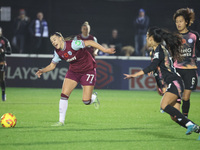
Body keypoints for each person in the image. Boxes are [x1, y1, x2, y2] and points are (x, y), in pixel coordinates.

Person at [124, 27, 200, 140]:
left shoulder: (159, 50)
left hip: (174, 82)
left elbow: (153, 66)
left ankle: (191, 125)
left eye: (146, 37)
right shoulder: (156, 50)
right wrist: (159, 84)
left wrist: (134, 75)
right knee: (175, 117)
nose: (146, 40)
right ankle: (197, 129)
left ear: (151, 38)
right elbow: (157, 69)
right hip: (175, 82)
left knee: (164, 106)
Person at [35, 32, 115, 126]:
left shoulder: (73, 44)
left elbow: (89, 42)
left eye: (54, 39)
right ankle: (61, 121)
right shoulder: (57, 52)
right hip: (74, 72)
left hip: (88, 70)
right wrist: (42, 70)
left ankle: (93, 98)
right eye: (51, 41)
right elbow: (52, 65)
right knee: (64, 95)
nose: (53, 42)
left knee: (86, 101)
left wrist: (104, 50)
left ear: (61, 38)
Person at [173, 8, 200, 118]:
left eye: (180, 21)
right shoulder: (174, 37)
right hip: (177, 69)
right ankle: (178, 116)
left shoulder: (194, 36)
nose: (178, 24)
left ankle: (185, 117)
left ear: (186, 22)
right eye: (176, 21)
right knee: (175, 95)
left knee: (186, 97)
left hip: (190, 70)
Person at [0, 27, 12, 101]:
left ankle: (3, 93)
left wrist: (3, 51)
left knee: (2, 79)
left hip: (2, 62)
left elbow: (10, 52)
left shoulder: (5, 40)